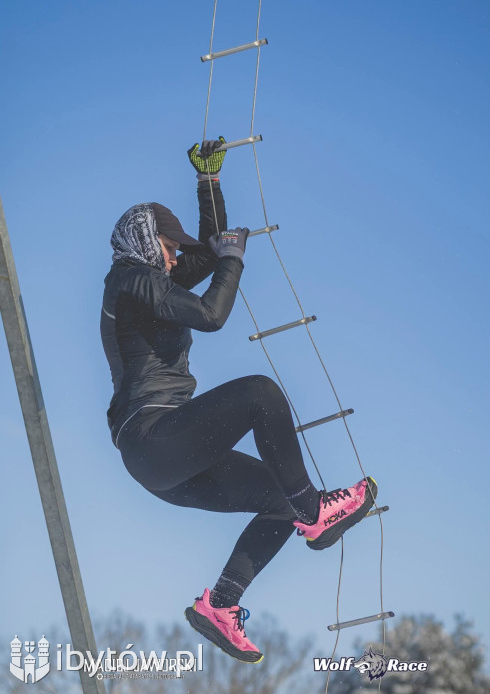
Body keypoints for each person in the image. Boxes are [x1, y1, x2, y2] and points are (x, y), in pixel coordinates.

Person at [101, 138, 378, 664]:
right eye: (167, 245)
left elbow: (206, 251)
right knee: (260, 393)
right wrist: (233, 263)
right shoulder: (130, 278)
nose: (174, 256)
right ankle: (316, 511)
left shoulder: (148, 280)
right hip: (153, 437)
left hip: (164, 462)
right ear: (143, 240)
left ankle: (220, 605)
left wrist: (210, 184)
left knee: (278, 496)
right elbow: (211, 314)